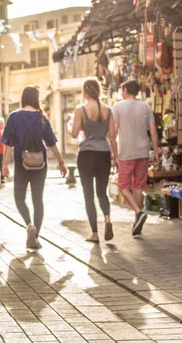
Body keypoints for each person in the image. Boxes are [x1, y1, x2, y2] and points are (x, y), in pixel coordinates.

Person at [1, 86, 67, 249]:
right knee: (38, 200)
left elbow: (8, 144)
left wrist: (4, 164)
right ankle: (35, 237)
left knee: (19, 198)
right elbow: (51, 143)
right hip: (40, 164)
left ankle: (29, 225)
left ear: (23, 98)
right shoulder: (42, 117)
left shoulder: (14, 117)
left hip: (21, 163)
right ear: (36, 99)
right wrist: (61, 162)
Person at [71, 79, 118, 243]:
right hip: (103, 154)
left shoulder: (80, 110)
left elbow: (74, 134)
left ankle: (95, 234)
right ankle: (107, 219)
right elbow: (112, 136)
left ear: (85, 90)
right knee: (102, 193)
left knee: (88, 195)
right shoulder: (108, 111)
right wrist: (116, 158)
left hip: (86, 155)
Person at [112, 80, 159, 236]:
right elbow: (153, 131)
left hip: (126, 152)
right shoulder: (146, 106)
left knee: (123, 187)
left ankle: (139, 213)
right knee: (138, 186)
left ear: (125, 90)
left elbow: (113, 132)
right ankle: (137, 220)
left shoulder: (118, 107)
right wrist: (156, 151)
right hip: (143, 151)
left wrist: (113, 152)